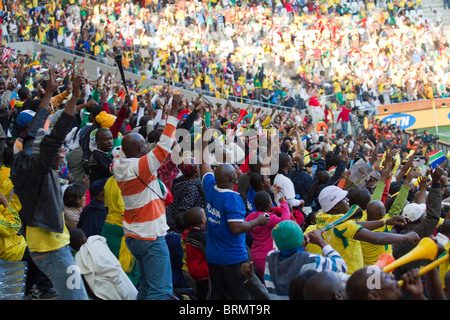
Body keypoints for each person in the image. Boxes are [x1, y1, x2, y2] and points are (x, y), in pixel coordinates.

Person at [10, 67, 89, 300]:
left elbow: (38, 126)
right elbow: (57, 133)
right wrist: (74, 95)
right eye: (59, 150)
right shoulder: (37, 165)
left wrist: (50, 93)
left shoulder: (24, 156)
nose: (62, 153)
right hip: (52, 249)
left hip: (46, 245)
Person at [112, 93, 181, 300]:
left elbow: (122, 148)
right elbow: (165, 145)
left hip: (134, 235)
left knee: (145, 288)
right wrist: (174, 110)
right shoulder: (141, 167)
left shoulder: (118, 165)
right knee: (159, 292)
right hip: (150, 236)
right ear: (141, 149)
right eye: (143, 146)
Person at [200, 119, 270, 300]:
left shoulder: (210, 186)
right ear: (232, 177)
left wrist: (205, 141)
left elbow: (204, 164)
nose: (238, 169)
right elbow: (236, 227)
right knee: (240, 297)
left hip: (213, 256)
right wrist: (258, 221)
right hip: (233, 258)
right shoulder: (233, 198)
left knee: (220, 296)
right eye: (235, 169)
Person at [305, 185, 420, 274]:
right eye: (344, 199)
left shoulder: (323, 218)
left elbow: (354, 223)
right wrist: (407, 237)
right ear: (335, 206)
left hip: (339, 273)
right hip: (350, 275)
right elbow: (375, 238)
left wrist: (385, 222)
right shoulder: (342, 225)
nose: (348, 200)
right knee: (375, 293)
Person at [263, 220, 348, 300]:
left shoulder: (270, 257)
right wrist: (322, 243)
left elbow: (288, 248)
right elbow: (342, 266)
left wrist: (300, 244)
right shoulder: (311, 260)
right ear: (301, 238)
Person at [392, 166, 444, 280]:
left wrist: (424, 188)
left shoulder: (394, 232)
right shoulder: (417, 233)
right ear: (421, 219)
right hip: (419, 282)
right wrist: (435, 183)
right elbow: (433, 216)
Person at [71, 228, 138, 300]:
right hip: (117, 277)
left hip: (101, 291)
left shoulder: (76, 259)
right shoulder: (96, 244)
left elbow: (87, 282)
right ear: (83, 239)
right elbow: (108, 265)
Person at [245, 192, 291, 279]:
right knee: (272, 282)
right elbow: (285, 221)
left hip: (255, 256)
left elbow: (247, 231)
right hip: (268, 256)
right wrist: (283, 203)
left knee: (264, 281)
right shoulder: (269, 218)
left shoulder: (251, 216)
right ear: (269, 204)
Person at [181, 206, 210, 300]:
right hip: (204, 272)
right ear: (202, 220)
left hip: (193, 270)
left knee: (199, 291)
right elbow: (208, 252)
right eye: (205, 216)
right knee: (206, 294)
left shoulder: (189, 235)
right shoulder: (200, 236)